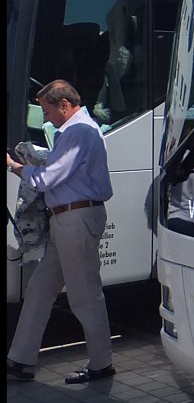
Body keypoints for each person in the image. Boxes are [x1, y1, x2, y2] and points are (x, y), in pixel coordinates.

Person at [6, 80, 117, 384]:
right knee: (40, 289)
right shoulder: (76, 131)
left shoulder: (78, 132)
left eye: (46, 110)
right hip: (68, 219)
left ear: (64, 105)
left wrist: (14, 166)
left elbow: (46, 179)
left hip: (75, 218)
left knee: (84, 294)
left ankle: (101, 363)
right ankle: (20, 360)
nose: (45, 118)